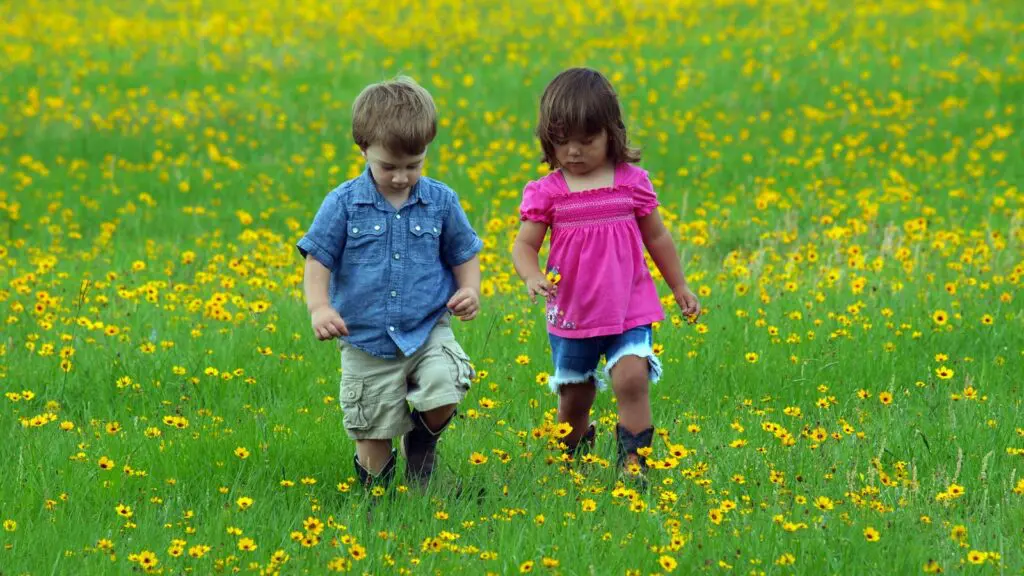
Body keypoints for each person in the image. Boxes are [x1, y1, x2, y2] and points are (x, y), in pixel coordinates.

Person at [512, 67, 701, 480]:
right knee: (575, 397)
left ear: (611, 133)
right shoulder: (549, 191)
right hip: (573, 312)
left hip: (628, 306)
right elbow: (524, 245)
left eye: (586, 141)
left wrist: (680, 286)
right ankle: (571, 459)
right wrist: (530, 276)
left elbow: (658, 238)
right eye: (562, 143)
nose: (574, 152)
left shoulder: (632, 183)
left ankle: (634, 466)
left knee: (632, 378)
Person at [297, 76, 483, 490]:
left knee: (447, 385)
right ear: (363, 148)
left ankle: (422, 442)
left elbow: (463, 254)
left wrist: (470, 289)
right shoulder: (343, 203)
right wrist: (320, 307)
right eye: (389, 166)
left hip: (426, 329)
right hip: (365, 340)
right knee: (373, 443)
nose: (401, 177)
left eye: (413, 165)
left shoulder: (440, 201)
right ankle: (376, 506)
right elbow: (317, 261)